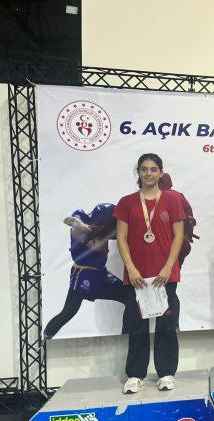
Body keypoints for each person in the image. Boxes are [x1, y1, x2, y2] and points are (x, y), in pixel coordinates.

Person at [114, 153, 186, 394]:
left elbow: (179, 236)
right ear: (138, 172)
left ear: (160, 173)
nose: (148, 173)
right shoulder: (126, 202)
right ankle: (135, 375)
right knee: (137, 326)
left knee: (166, 325)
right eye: (144, 169)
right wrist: (131, 268)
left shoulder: (172, 201)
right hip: (136, 275)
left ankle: (166, 373)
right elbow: (121, 238)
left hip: (165, 274)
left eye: (154, 169)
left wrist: (168, 267)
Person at [43, 203, 129, 339]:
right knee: (69, 311)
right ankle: (46, 337)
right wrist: (88, 229)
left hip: (102, 273)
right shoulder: (80, 219)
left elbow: (119, 233)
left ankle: (127, 338)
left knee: (130, 295)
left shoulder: (102, 226)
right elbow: (91, 243)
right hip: (83, 274)